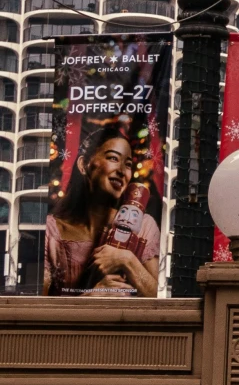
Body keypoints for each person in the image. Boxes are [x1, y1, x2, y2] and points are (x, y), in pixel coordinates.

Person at [44, 117, 160, 296]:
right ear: (84, 165)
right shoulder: (52, 230)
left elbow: (157, 298)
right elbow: (40, 306)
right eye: (113, 158)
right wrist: (92, 296)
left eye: (128, 164)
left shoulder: (143, 226)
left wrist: (126, 259)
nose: (122, 171)